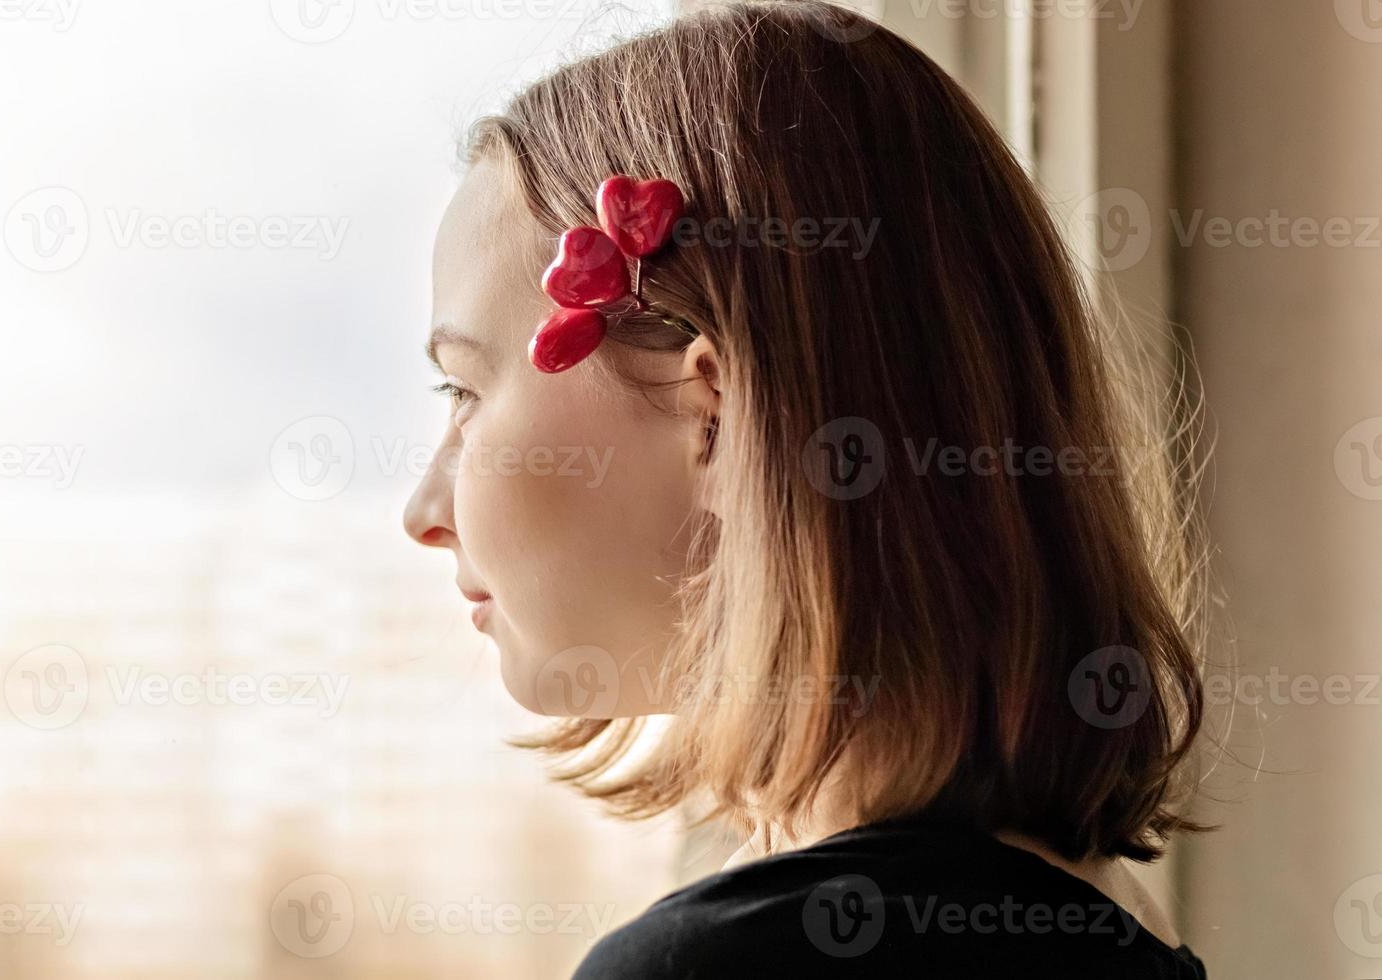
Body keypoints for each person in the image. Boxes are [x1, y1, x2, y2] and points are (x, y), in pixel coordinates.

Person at [404, 2, 1210, 975]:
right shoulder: (1118, 921)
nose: (424, 512)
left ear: (715, 413)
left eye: (466, 389)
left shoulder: (718, 964)